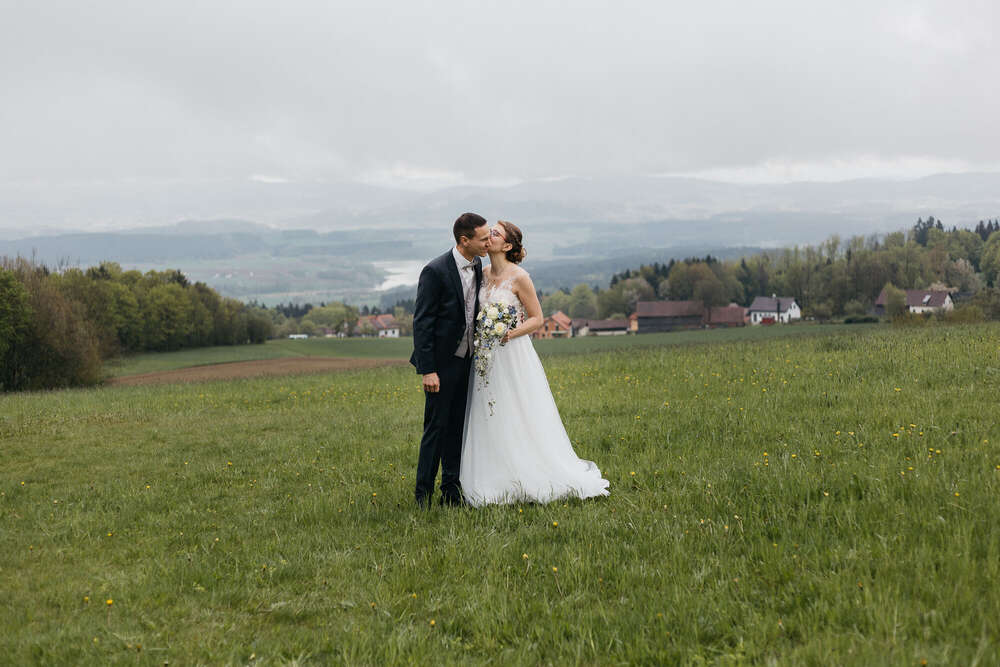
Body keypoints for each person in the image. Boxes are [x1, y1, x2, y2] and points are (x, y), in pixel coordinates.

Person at [460, 220, 610, 506]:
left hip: (512, 354)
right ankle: (490, 479)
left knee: (516, 410)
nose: (488, 235)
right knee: (487, 412)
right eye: (488, 231)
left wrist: (508, 334)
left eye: (495, 233)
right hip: (486, 357)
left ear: (507, 245)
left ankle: (529, 472)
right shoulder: (483, 272)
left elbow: (537, 319)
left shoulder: (520, 277)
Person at [410, 212, 491, 507]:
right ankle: (423, 495)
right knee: (436, 429)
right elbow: (422, 323)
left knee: (458, 426)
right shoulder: (435, 270)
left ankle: (451, 491)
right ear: (464, 240)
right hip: (441, 367)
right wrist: (428, 370)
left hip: (467, 362)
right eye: (483, 238)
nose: (488, 242)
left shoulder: (479, 264)